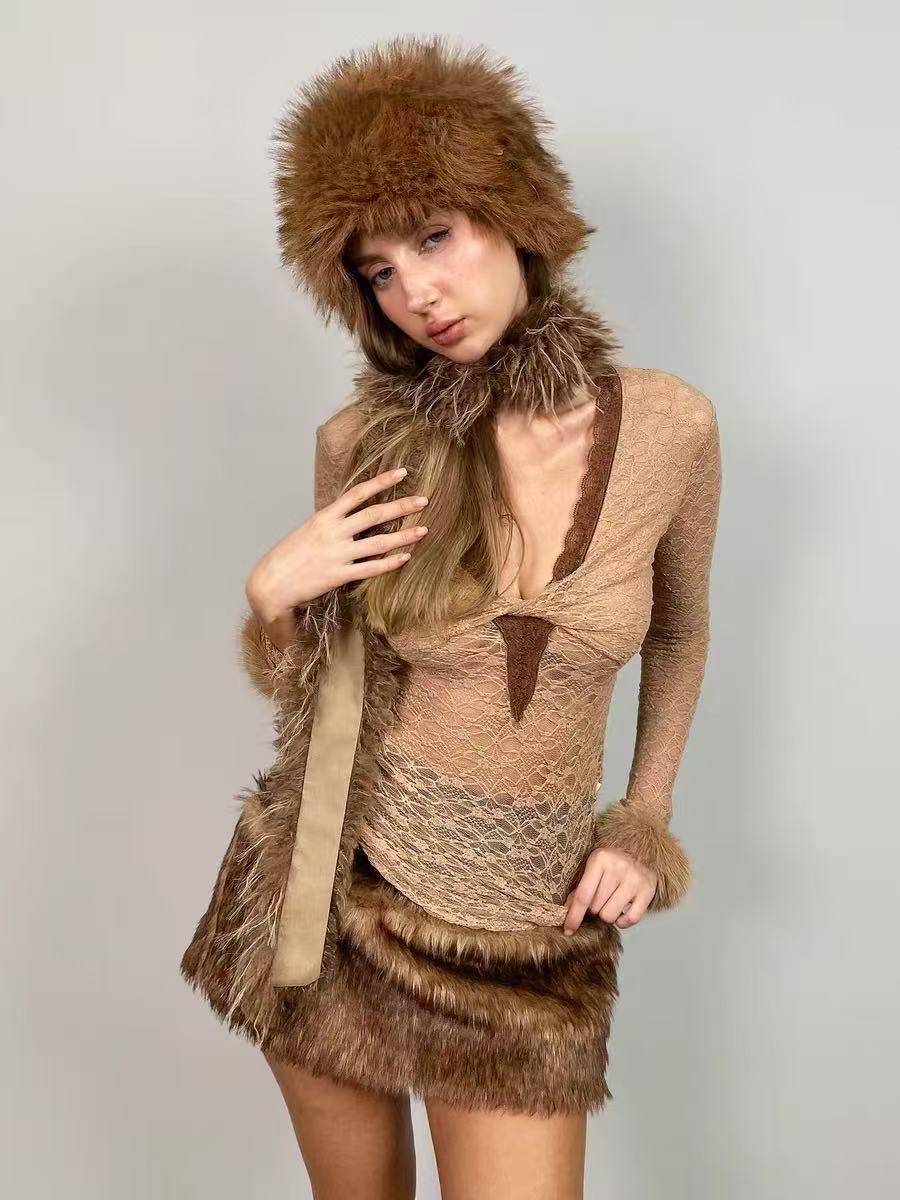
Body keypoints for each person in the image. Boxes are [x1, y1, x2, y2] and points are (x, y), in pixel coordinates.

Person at [180, 34, 722, 1200]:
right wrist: (274, 600)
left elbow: (679, 635)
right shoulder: (361, 447)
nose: (415, 292)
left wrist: (642, 820)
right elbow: (322, 695)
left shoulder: (670, 428)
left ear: (514, 212)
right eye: (377, 270)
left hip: (527, 928)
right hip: (339, 903)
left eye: (433, 237)